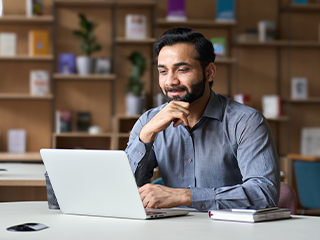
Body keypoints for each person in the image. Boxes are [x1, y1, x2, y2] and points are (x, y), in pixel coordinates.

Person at [125, 27, 280, 211]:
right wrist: (146, 136)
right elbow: (121, 190)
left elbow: (264, 193)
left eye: (182, 69)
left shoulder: (246, 122)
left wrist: (185, 196)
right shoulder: (148, 122)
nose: (170, 81)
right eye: (163, 71)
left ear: (209, 72)